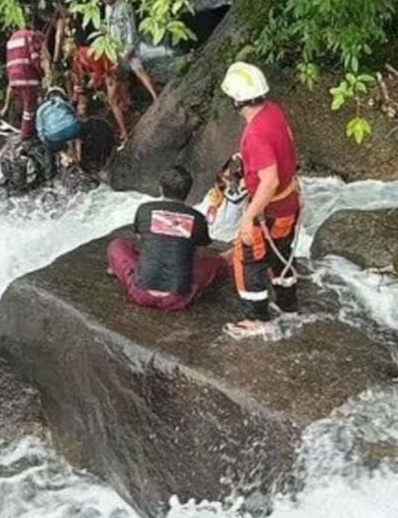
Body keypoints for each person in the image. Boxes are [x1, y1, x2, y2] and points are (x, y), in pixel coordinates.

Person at [220, 62, 301, 337]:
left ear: (236, 100)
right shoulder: (273, 111)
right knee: (282, 252)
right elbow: (287, 143)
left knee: (247, 257)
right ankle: (289, 305)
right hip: (290, 202)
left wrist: (248, 217)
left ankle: (257, 317)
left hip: (272, 208)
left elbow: (270, 181)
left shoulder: (254, 133)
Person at [107, 165, 228, 310]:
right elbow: (202, 244)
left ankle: (118, 269)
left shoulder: (145, 209)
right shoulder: (197, 218)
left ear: (160, 188)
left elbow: (141, 238)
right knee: (216, 263)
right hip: (178, 298)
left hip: (142, 293)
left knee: (117, 245)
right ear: (187, 193)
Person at [68, 39, 132, 147]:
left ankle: (124, 132)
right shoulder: (78, 58)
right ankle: (125, 125)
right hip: (107, 73)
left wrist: (91, 85)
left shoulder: (87, 53)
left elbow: (98, 71)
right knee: (115, 102)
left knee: (113, 103)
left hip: (111, 71)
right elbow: (81, 76)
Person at [102, 0, 158, 103]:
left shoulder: (125, 6)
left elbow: (131, 28)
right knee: (119, 75)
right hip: (116, 45)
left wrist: (129, 48)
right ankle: (128, 101)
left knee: (139, 70)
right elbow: (108, 26)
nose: (105, 1)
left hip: (128, 44)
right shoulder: (107, 8)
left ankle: (155, 96)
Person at [0, 25, 50, 140]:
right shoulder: (31, 36)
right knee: (29, 107)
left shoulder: (12, 39)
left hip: (13, 76)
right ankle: (26, 135)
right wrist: (42, 75)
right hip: (27, 76)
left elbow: (9, 60)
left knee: (24, 103)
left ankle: (5, 112)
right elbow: (34, 57)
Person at [35, 87, 83, 165]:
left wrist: (47, 143)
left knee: (54, 147)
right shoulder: (63, 103)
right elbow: (74, 114)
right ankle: (79, 158)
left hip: (54, 135)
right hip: (72, 128)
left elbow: (40, 130)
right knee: (77, 135)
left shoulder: (41, 109)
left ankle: (63, 156)